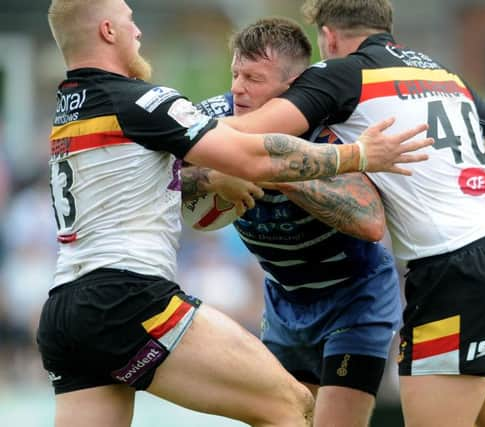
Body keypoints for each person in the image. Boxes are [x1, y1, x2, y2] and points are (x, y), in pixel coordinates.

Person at [38, 1, 434, 426]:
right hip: (127, 299)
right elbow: (251, 158)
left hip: (65, 311)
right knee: (291, 404)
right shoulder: (145, 102)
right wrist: (359, 155)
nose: (138, 31)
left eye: (253, 78)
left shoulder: (71, 113)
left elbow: (156, 170)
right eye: (130, 22)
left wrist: (209, 179)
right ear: (107, 31)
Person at [220, 1, 485, 426]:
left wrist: (171, 131)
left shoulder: (341, 74)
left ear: (329, 35)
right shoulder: (440, 74)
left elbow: (245, 134)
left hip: (457, 274)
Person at [184, 17, 403, 427]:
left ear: (293, 84)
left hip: (356, 296)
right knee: (284, 418)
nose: (237, 88)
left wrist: (275, 171)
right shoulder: (215, 118)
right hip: (284, 299)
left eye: (253, 77)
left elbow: (372, 222)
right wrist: (214, 177)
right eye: (235, 74)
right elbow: (158, 171)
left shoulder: (327, 127)